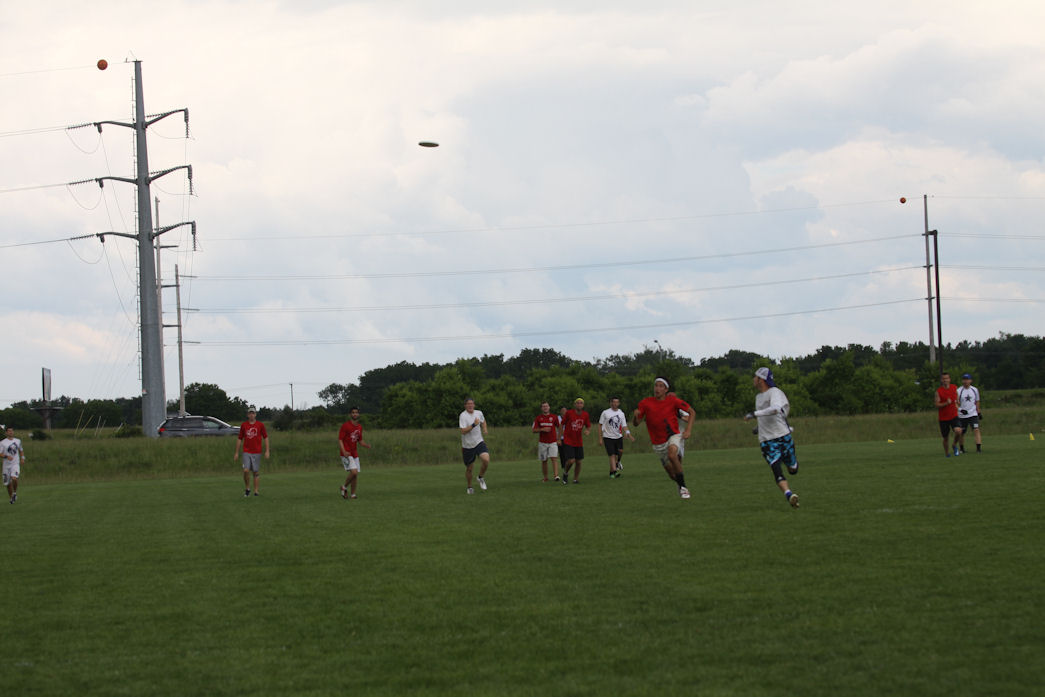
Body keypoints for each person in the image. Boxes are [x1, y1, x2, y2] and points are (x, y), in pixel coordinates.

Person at [744, 367, 800, 509]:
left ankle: (791, 464)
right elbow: (765, 415)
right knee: (776, 469)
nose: (753, 379)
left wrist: (754, 414)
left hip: (783, 436)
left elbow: (775, 409)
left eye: (755, 377)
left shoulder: (775, 392)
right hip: (767, 440)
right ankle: (789, 495)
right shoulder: (758, 397)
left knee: (793, 469)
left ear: (761, 380)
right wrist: (759, 427)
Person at [633, 377, 694, 499]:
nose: (657, 388)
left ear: (666, 389)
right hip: (658, 443)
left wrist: (688, 430)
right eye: (656, 385)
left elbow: (692, 412)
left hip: (674, 435)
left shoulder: (673, 401)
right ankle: (679, 483)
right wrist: (635, 417)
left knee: (672, 455)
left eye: (661, 386)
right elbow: (636, 423)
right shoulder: (645, 403)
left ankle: (683, 487)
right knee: (672, 474)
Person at [234, 407, 270, 496]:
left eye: (253, 413)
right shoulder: (244, 425)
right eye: (250, 413)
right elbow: (239, 439)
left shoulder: (260, 425)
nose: (251, 415)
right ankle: (247, 488)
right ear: (247, 415)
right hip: (246, 451)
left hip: (257, 451)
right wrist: (236, 452)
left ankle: (256, 491)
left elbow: (265, 437)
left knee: (255, 471)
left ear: (255, 414)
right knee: (246, 470)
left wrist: (267, 451)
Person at [338, 406, 371, 499]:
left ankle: (353, 494)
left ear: (359, 414)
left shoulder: (359, 427)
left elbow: (360, 440)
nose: (355, 414)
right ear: (350, 414)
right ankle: (344, 487)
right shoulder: (345, 426)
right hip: (346, 453)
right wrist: (344, 451)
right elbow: (340, 440)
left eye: (356, 412)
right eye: (353, 412)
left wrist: (366, 445)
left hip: (354, 453)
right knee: (354, 472)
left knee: (355, 475)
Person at [597, 396, 635, 478]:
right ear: (610, 403)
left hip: (618, 436)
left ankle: (615, 466)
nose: (615, 404)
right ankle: (614, 471)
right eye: (613, 402)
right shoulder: (605, 412)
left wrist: (629, 434)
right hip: (608, 437)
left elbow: (624, 425)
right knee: (612, 455)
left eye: (617, 402)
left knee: (620, 451)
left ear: (619, 403)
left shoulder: (621, 413)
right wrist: (600, 438)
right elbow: (600, 425)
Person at [459, 398, 490, 494]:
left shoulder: (479, 413)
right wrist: (473, 425)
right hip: (467, 446)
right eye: (468, 404)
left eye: (472, 404)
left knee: (486, 459)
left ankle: (480, 477)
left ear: (474, 405)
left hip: (479, 442)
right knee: (469, 468)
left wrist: (485, 429)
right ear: (465, 405)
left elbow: (483, 421)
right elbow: (463, 431)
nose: (470, 405)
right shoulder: (463, 416)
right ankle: (470, 487)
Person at [560, 398, 591, 484]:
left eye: (581, 403)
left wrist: (587, 430)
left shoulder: (585, 414)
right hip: (568, 440)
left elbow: (588, 426)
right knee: (571, 460)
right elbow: (561, 424)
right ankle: (565, 473)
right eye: (578, 403)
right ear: (575, 405)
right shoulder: (569, 413)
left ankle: (575, 479)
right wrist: (559, 438)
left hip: (578, 441)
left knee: (579, 461)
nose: (579, 405)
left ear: (583, 405)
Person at [934, 372, 963, 457]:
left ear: (949, 379)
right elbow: (937, 404)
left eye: (946, 378)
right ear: (941, 380)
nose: (945, 380)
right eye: (943, 379)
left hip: (953, 415)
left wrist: (957, 403)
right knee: (945, 438)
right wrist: (946, 403)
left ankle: (954, 445)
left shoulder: (954, 388)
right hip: (943, 418)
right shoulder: (938, 391)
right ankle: (947, 454)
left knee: (958, 431)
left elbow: (957, 399)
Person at [532, 401, 561, 482]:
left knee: (554, 458)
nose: (545, 408)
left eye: (546, 406)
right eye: (543, 406)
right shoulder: (538, 418)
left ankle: (556, 476)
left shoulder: (554, 417)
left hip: (553, 442)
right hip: (543, 442)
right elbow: (534, 430)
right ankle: (545, 477)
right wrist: (542, 429)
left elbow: (560, 427)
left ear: (549, 407)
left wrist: (559, 439)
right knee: (544, 460)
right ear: (541, 408)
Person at [956, 373, 983, 453]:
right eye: (964, 380)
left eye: (967, 380)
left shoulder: (974, 390)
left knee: (976, 429)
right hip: (962, 415)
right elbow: (955, 403)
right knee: (961, 432)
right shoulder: (959, 391)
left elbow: (977, 401)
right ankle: (962, 448)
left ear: (970, 381)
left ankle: (978, 448)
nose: (966, 381)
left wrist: (978, 412)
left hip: (972, 414)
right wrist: (960, 410)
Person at [1, 425, 25, 504]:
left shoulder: (18, 441)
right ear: (6, 433)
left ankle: (14, 493)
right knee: (7, 483)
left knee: (14, 478)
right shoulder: (2, 443)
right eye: (9, 431)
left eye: (12, 431)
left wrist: (22, 458)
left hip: (15, 463)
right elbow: (0, 453)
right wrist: (6, 456)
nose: (11, 432)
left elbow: (21, 450)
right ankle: (11, 497)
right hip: (6, 465)